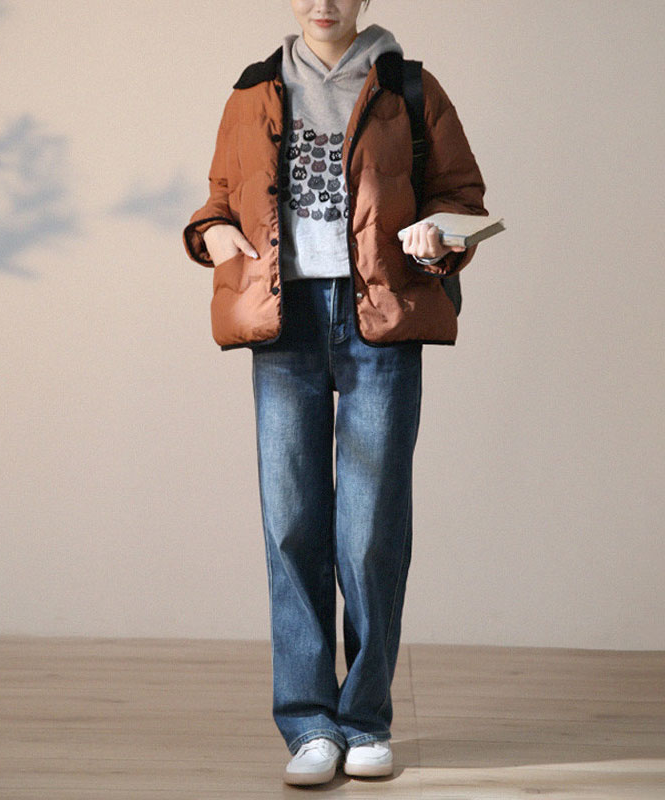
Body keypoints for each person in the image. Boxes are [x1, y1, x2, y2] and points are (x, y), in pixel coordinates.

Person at [182, 0, 487, 786]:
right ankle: (310, 724)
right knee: (292, 524)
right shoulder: (252, 90)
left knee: (370, 527)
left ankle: (366, 718)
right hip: (284, 321)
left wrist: (438, 232)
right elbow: (219, 199)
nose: (324, 2)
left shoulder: (410, 88)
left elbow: (461, 198)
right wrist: (212, 232)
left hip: (378, 318)